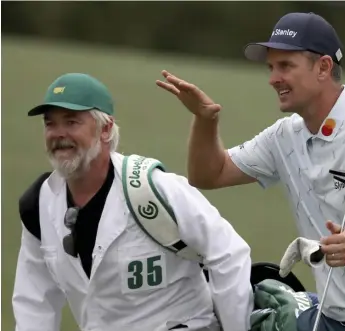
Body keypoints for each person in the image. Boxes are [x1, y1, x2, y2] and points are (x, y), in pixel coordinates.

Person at [156, 12, 345, 331]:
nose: (273, 78)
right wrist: (204, 120)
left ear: (323, 67)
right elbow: (209, 175)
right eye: (271, 67)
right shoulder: (284, 136)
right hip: (335, 322)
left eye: (285, 66)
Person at [12, 73, 254, 331]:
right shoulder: (38, 205)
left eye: (71, 122)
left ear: (105, 129)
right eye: (50, 124)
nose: (59, 134)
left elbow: (228, 252)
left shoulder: (153, 187)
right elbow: (34, 300)